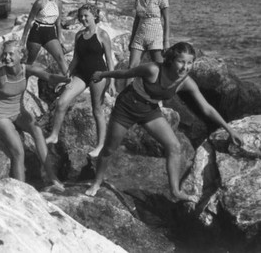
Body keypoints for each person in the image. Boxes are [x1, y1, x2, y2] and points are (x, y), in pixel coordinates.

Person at [85, 42, 243, 201]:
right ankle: (97, 182)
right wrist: (103, 75)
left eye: (189, 63)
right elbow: (125, 73)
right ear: (172, 60)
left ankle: (175, 191)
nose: (185, 67)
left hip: (149, 110)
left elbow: (207, 108)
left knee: (174, 145)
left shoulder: (186, 82)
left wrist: (230, 130)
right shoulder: (153, 69)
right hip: (126, 108)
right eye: (181, 61)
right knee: (109, 149)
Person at [0, 40, 69, 190]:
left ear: (21, 55)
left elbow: (48, 77)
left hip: (18, 111)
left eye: (11, 54)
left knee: (37, 131)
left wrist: (66, 79)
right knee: (18, 151)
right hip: (1, 114)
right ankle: (21, 190)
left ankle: (52, 178)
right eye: (5, 54)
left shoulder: (26, 70)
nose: (7, 58)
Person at [45, 4, 116, 157]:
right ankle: (54, 135)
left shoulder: (102, 35)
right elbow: (76, 58)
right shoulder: (78, 35)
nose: (83, 19)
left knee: (97, 110)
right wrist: (67, 77)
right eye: (81, 16)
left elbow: (110, 60)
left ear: (95, 16)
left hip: (98, 75)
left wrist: (112, 81)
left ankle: (100, 145)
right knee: (62, 102)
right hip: (81, 75)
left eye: (86, 16)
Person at [126, 0, 169, 85]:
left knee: (159, 68)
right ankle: (126, 96)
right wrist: (132, 40)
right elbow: (136, 20)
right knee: (131, 67)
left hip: (155, 37)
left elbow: (166, 21)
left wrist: (166, 41)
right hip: (140, 36)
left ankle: (160, 98)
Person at [20, 0, 68, 75]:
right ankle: (21, 85)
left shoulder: (58, 3)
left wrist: (59, 37)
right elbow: (29, 21)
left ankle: (69, 82)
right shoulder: (39, 2)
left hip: (50, 32)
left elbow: (58, 22)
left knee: (60, 57)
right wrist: (23, 39)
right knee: (29, 63)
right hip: (37, 32)